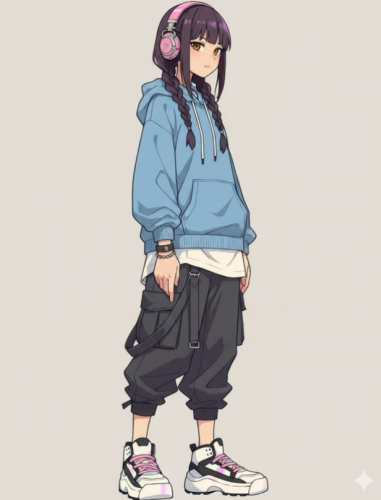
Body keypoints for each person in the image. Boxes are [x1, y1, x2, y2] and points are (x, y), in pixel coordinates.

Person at [118, 3, 266, 498]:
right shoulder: (162, 104)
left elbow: (229, 181)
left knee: (216, 357)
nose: (209, 57)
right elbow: (154, 176)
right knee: (163, 352)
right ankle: (138, 454)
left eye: (217, 49)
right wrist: (163, 245)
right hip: (180, 254)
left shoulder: (208, 107)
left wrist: (242, 245)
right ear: (171, 45)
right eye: (200, 45)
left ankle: (205, 459)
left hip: (224, 254)